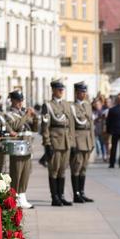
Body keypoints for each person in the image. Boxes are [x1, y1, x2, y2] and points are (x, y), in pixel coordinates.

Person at [41, 79, 73, 207]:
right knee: (54, 170)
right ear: (53, 90)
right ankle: (54, 197)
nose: (61, 92)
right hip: (55, 141)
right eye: (59, 89)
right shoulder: (48, 105)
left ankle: (62, 195)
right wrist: (47, 143)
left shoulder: (66, 104)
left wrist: (72, 141)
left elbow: (70, 124)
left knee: (63, 170)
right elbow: (45, 126)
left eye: (62, 89)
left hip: (65, 141)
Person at [4, 90, 36, 209]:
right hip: (17, 148)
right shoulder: (8, 114)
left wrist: (35, 117)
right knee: (16, 172)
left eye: (21, 100)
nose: (20, 103)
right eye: (17, 100)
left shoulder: (24, 113)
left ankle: (22, 196)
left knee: (26, 173)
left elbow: (34, 128)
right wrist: (26, 115)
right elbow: (15, 126)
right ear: (12, 100)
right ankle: (15, 197)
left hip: (27, 146)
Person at [69, 81, 95, 203]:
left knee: (84, 167)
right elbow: (72, 126)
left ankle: (82, 192)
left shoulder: (88, 106)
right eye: (81, 92)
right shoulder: (72, 107)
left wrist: (92, 141)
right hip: (78, 139)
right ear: (76, 93)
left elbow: (91, 125)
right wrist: (73, 143)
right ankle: (76, 193)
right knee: (76, 167)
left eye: (85, 92)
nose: (83, 94)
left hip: (87, 139)